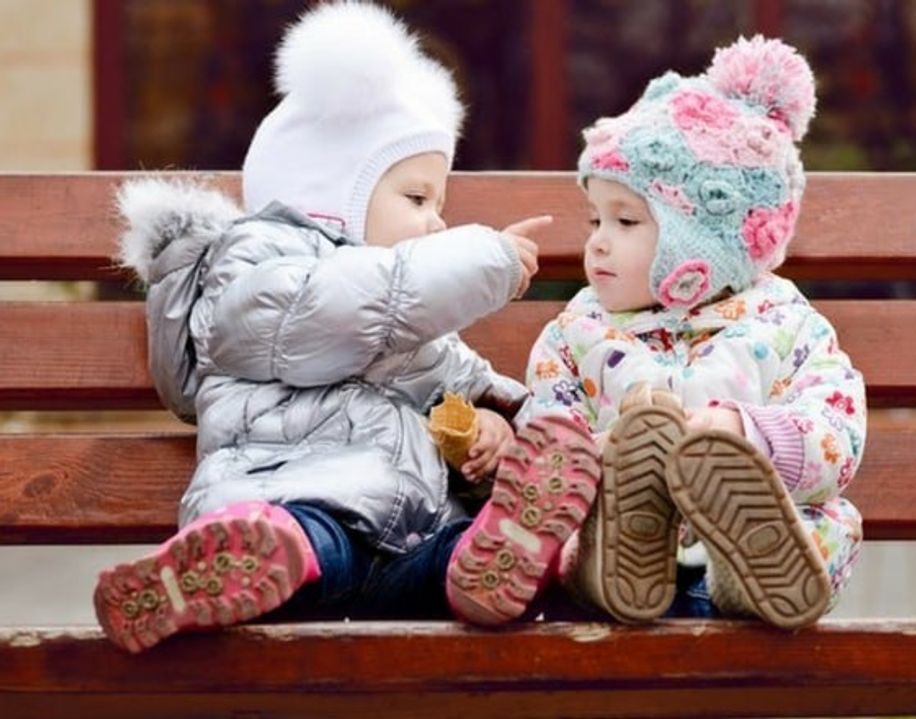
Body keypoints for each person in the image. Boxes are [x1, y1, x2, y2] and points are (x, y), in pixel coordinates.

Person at [94, 1, 596, 653]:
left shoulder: (409, 322)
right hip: (297, 502)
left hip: (403, 535)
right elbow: (341, 306)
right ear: (331, 195)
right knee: (306, 540)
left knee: (451, 550)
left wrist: (502, 426)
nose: (435, 223)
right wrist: (482, 260)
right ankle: (227, 565)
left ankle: (497, 562)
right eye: (417, 198)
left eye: (438, 205)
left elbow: (463, 380)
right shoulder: (258, 264)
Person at [522, 36, 864, 629]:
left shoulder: (785, 324)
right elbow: (545, 430)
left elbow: (836, 431)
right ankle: (619, 560)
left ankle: (748, 574)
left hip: (748, 536)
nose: (598, 242)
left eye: (626, 221)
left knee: (830, 525)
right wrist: (606, 454)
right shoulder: (576, 333)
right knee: (571, 537)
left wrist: (747, 435)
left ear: (706, 242)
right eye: (595, 219)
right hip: (616, 539)